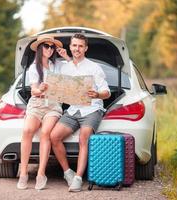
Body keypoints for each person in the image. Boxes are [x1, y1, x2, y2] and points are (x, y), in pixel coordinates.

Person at [50, 33, 111, 192]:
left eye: (80, 46)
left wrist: (97, 94)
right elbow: (61, 87)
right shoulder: (66, 66)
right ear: (70, 47)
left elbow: (107, 92)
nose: (77, 48)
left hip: (92, 109)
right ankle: (67, 172)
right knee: (54, 136)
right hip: (73, 109)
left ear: (86, 48)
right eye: (74, 45)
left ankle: (78, 178)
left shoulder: (94, 67)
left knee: (84, 138)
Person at [17, 35, 70, 190]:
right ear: (40, 48)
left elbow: (74, 69)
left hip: (53, 106)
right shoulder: (34, 67)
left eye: (52, 47)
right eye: (46, 46)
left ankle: (41, 173)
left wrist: (65, 55)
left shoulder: (57, 65)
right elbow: (33, 89)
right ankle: (24, 172)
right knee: (27, 130)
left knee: (45, 133)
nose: (49, 49)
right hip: (36, 104)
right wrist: (39, 89)